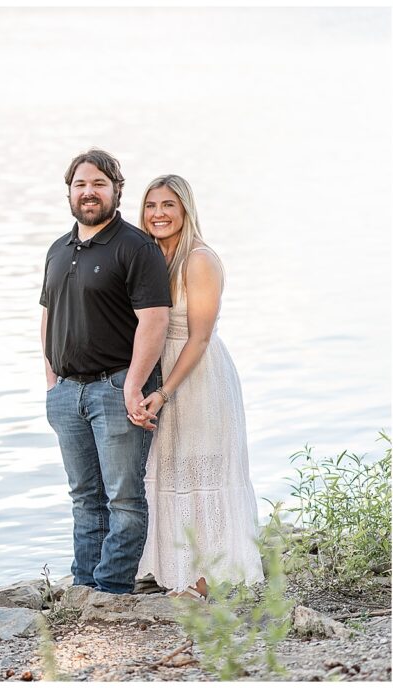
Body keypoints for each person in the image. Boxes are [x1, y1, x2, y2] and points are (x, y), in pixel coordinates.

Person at [41, 149, 172, 595]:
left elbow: (155, 321)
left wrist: (133, 385)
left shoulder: (137, 248)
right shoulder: (58, 250)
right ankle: (85, 588)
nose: (89, 192)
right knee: (84, 499)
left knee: (124, 499)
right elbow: (48, 316)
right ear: (69, 191)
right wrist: (51, 383)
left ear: (116, 188)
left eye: (98, 183)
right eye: (80, 184)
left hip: (116, 388)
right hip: (66, 394)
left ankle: (112, 589)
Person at [133, 174, 264, 599]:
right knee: (166, 468)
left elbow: (200, 337)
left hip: (198, 374)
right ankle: (172, 570)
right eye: (151, 206)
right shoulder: (152, 257)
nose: (158, 214)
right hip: (161, 372)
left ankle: (204, 581)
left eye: (168, 205)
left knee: (202, 469)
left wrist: (165, 390)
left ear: (185, 209)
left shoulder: (199, 259)